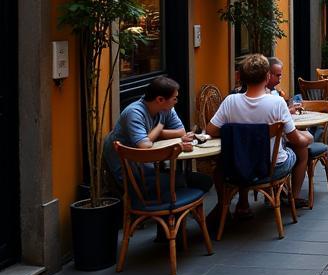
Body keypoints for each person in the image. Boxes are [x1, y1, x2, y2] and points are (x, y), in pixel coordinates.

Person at [206, 53, 313, 212]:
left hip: (238, 166)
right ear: (267, 76)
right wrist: (309, 138)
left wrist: (239, 136)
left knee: (238, 156)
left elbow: (211, 130)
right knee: (300, 151)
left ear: (241, 77)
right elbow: (296, 139)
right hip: (271, 168)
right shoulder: (277, 103)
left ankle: (233, 206)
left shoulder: (230, 101)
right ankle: (292, 197)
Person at [103, 75, 194, 185]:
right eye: (174, 98)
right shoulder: (134, 112)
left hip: (146, 164)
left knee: (192, 181)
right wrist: (161, 126)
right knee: (184, 182)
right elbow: (145, 146)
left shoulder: (166, 108)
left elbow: (181, 132)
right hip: (129, 171)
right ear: (160, 99)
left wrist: (158, 132)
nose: (176, 101)